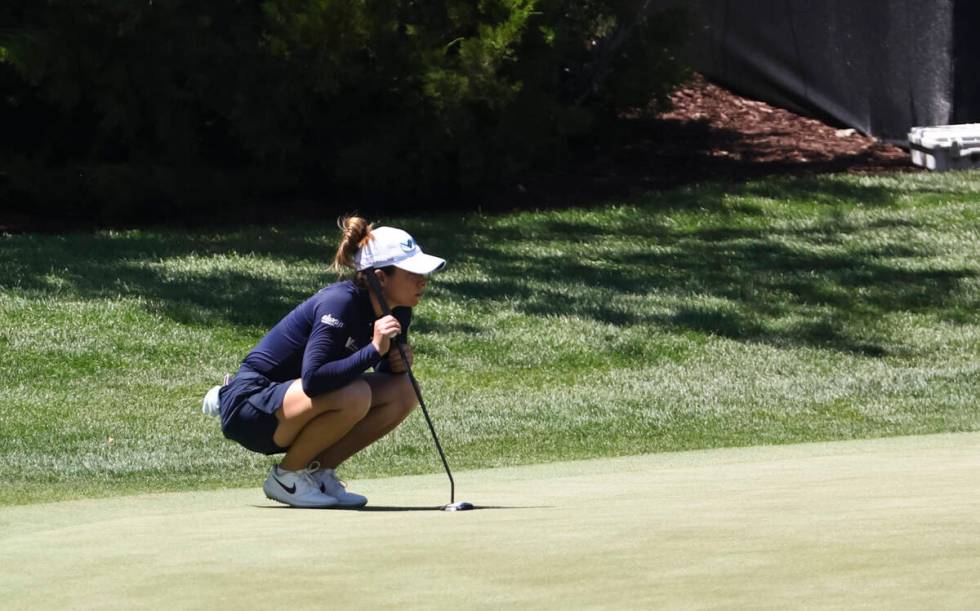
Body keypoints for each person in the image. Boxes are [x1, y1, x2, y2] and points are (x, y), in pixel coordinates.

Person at [201, 216, 446, 508]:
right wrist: (373, 350)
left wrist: (395, 362)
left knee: (405, 389)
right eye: (411, 274)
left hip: (292, 407)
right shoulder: (339, 304)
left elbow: (383, 371)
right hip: (250, 409)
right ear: (380, 278)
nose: (423, 281)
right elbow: (315, 379)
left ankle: (317, 473)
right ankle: (286, 476)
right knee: (355, 393)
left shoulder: (399, 310)